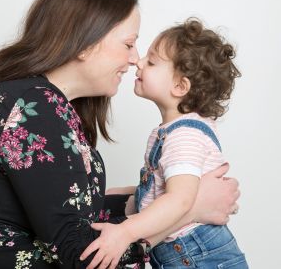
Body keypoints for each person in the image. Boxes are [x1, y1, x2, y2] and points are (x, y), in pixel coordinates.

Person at [0, 0, 240, 269]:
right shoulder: (33, 109)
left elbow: (73, 214)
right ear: (85, 44)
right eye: (129, 44)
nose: (135, 59)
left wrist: (159, 196)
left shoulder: (33, 101)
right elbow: (78, 255)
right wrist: (191, 208)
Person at [81, 19, 248, 269]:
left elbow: (179, 200)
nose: (138, 62)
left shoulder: (184, 137)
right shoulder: (177, 130)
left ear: (180, 86)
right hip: (187, 253)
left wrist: (125, 232)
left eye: (151, 62)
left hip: (197, 256)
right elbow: (163, 185)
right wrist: (126, 194)